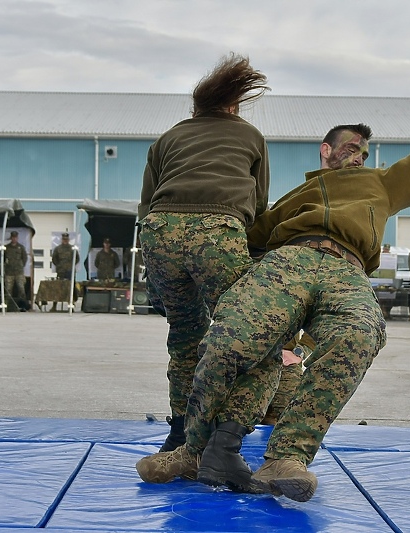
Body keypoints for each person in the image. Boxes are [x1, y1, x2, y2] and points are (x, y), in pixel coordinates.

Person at [136, 59, 410, 502]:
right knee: (228, 339)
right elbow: (254, 233)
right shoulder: (294, 198)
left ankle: (287, 456)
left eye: (364, 152)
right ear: (326, 149)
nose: (358, 155)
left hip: (346, 270)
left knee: (359, 334)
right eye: (351, 147)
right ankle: (195, 449)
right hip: (287, 263)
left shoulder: (381, 184)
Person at [137, 52, 270, 452]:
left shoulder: (168, 138)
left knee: (184, 337)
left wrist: (153, 269)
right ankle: (224, 437)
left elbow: (145, 205)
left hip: (160, 230)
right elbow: (259, 205)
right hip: (217, 231)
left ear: (196, 107)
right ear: (233, 105)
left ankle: (179, 433)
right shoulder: (249, 136)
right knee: (242, 335)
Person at [4, 230, 28, 304]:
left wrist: (20, 265)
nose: (14, 239)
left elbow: (24, 258)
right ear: (11, 238)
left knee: (21, 288)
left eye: (15, 237)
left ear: (17, 238)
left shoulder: (21, 247)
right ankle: (8, 305)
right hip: (9, 272)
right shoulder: (6, 248)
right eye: (13, 237)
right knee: (8, 289)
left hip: (19, 272)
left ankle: (22, 304)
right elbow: (3, 258)